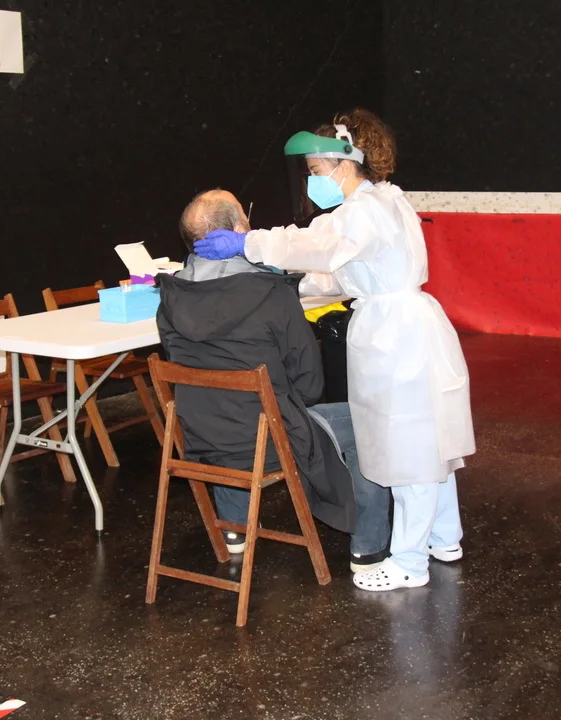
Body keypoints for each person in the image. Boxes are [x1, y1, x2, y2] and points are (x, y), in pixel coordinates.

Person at [194, 109, 476, 591]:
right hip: (408, 328)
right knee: (429, 443)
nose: (312, 181)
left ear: (345, 162)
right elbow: (346, 272)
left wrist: (248, 243)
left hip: (398, 340)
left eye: (316, 170)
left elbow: (316, 245)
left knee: (408, 450)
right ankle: (444, 537)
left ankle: (409, 562)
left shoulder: (361, 212)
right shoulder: (386, 200)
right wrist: (295, 285)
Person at [157, 189, 391, 571]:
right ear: (237, 231)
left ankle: (235, 529)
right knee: (368, 422)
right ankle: (371, 546)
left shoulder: (169, 297)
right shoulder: (270, 294)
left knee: (226, 407)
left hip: (200, 437)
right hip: (268, 442)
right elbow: (310, 384)